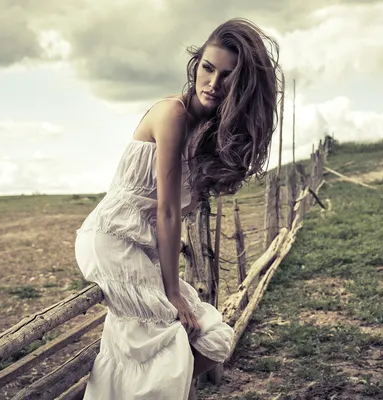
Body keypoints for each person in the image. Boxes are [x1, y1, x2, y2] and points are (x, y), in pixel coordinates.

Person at [74, 17, 281, 400]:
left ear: (243, 85)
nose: (213, 84)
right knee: (170, 333)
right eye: (207, 68)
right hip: (113, 240)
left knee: (212, 335)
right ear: (196, 64)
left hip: (144, 248)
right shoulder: (173, 114)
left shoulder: (203, 134)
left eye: (227, 77)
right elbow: (168, 212)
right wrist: (172, 291)